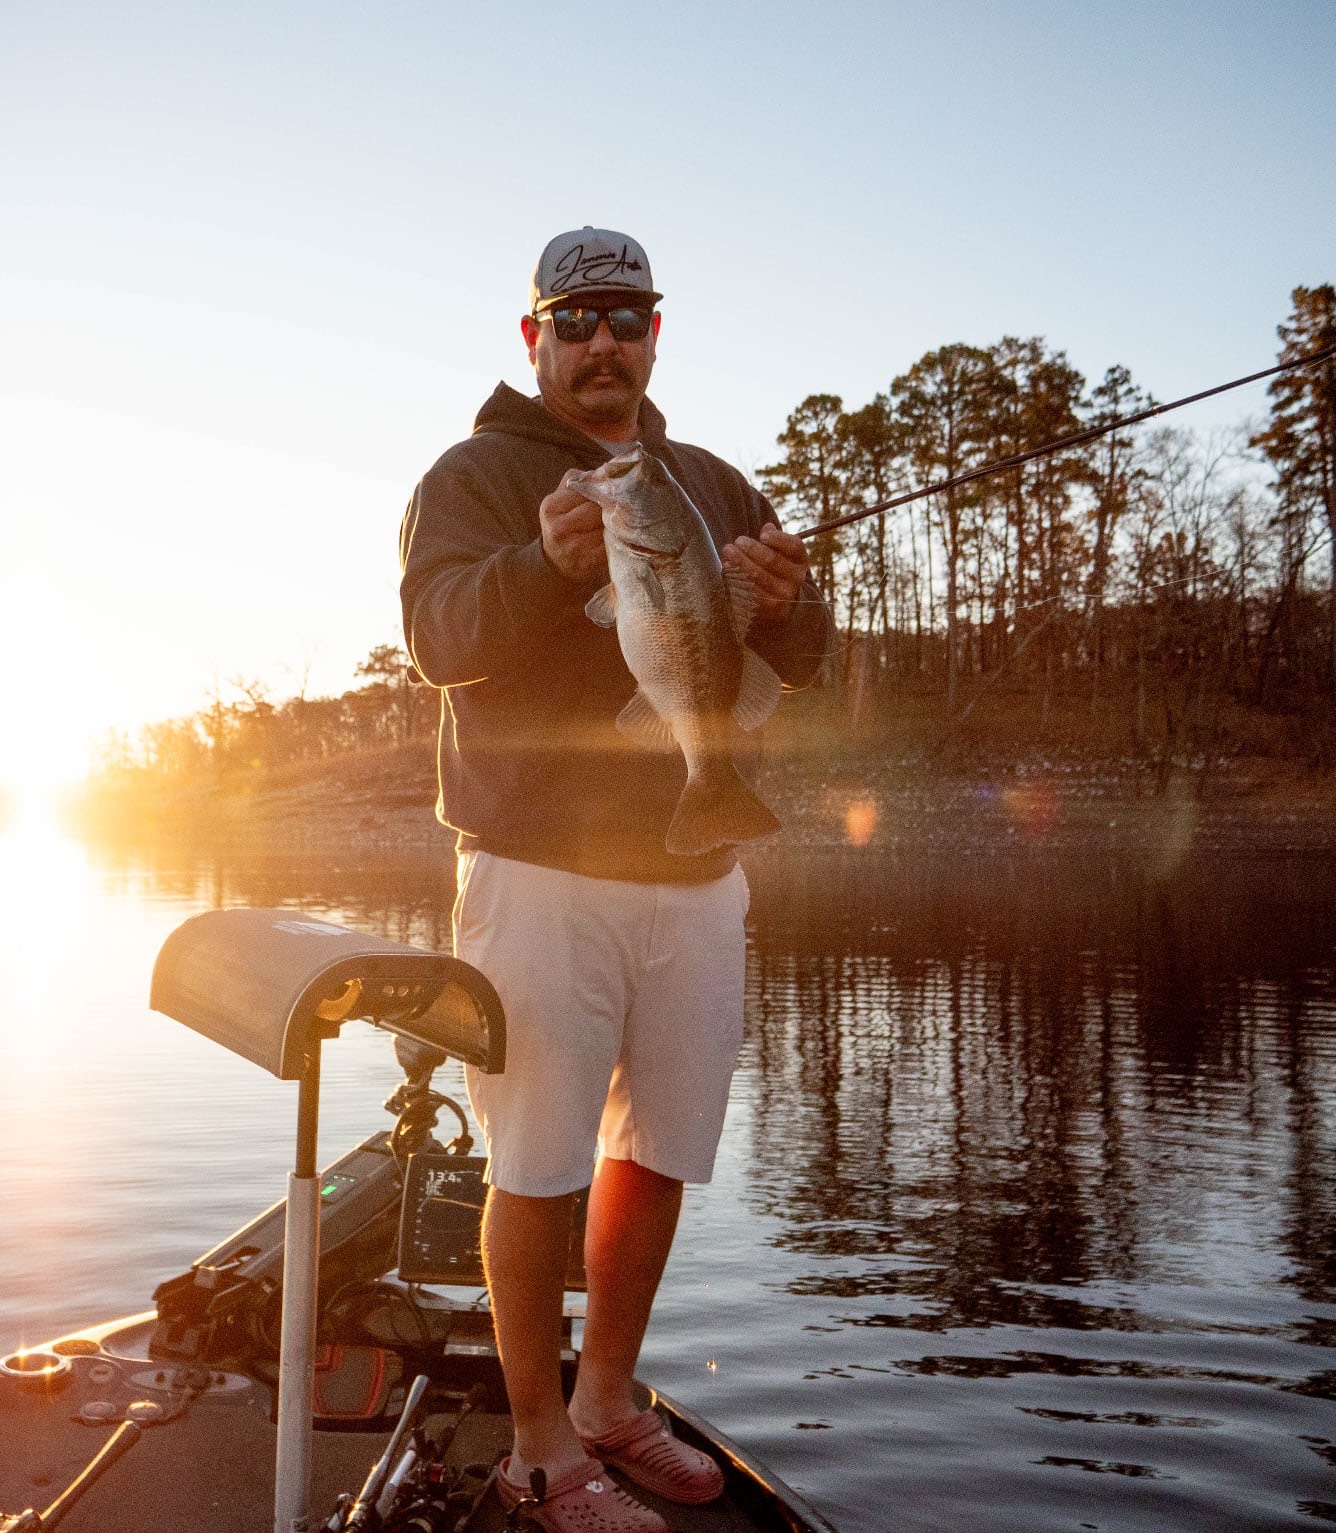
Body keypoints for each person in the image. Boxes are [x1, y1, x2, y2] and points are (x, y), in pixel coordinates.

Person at [399, 228, 827, 1533]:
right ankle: (537, 1448)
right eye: (575, 319)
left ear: (654, 335)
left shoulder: (708, 480)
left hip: (696, 871)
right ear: (533, 338)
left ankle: (606, 1398)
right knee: (536, 1164)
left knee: (656, 1151)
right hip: (537, 872)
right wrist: (546, 568)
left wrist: (791, 600)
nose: (603, 343)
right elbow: (436, 638)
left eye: (626, 319)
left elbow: (802, 657)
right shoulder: (474, 474)